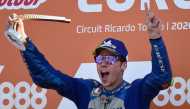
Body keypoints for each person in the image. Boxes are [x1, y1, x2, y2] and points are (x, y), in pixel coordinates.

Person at [4, 7, 172, 109]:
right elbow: (47, 77)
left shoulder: (137, 91)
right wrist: (25, 44)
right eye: (100, 59)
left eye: (111, 59)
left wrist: (155, 38)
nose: (103, 63)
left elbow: (162, 78)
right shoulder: (86, 89)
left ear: (123, 65)